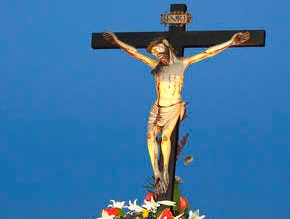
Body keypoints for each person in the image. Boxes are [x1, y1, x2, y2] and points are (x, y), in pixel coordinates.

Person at [102, 29, 250, 191]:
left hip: (173, 107)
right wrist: (116, 41)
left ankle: (165, 170)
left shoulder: (183, 63)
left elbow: (208, 53)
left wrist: (231, 42)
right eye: (154, 53)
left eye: (158, 49)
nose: (157, 54)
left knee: (165, 138)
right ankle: (156, 173)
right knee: (150, 136)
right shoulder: (156, 65)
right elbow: (134, 53)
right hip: (157, 108)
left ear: (167, 45)